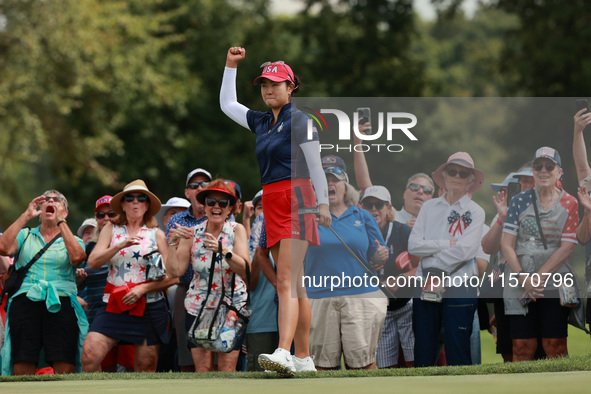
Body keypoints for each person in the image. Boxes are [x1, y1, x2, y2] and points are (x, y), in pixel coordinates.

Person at [220, 47, 331, 376]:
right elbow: (227, 105)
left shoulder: (301, 120)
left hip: (297, 197)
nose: (269, 90)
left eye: (276, 84)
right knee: (296, 284)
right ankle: (304, 357)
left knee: (286, 280)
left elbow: (316, 166)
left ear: (291, 87)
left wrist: (322, 203)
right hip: (273, 199)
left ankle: (284, 351)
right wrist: (230, 66)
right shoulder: (262, 121)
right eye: (264, 85)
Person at [81, 180, 178, 372]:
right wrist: (119, 246)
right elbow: (93, 262)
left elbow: (173, 277)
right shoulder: (111, 229)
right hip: (114, 304)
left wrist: (143, 288)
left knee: (146, 366)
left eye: (141, 198)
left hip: (149, 307)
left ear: (147, 205)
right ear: (123, 205)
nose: (135, 202)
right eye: (130, 198)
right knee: (89, 355)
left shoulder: (157, 234)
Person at [304, 164, 389, 370]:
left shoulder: (362, 216)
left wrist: (381, 254)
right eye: (324, 179)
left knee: (362, 366)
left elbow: (376, 255)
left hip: (361, 297)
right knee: (322, 367)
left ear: (345, 186)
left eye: (335, 179)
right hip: (319, 295)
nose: (329, 184)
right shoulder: (307, 217)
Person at [501, 147, 579, 361]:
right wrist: (522, 277)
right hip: (519, 280)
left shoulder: (570, 203)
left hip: (554, 280)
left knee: (555, 345)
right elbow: (507, 244)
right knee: (522, 346)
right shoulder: (518, 201)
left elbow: (568, 246)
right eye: (538, 166)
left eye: (549, 166)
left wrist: (538, 277)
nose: (543, 170)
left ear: (559, 171)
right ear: (533, 171)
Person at [409, 152, 485, 367]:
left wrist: (432, 254)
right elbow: (414, 245)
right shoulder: (428, 207)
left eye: (464, 173)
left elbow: (466, 251)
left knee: (458, 348)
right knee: (423, 349)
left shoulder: (476, 212)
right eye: (453, 171)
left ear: (471, 180)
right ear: (444, 175)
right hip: (425, 283)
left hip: (460, 284)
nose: (457, 176)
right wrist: (446, 244)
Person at [0, 191, 88, 375]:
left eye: (56, 200)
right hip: (25, 301)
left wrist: (60, 222)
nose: (50, 201)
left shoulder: (74, 240)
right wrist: (26, 215)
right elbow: (3, 247)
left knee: (64, 360)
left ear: (65, 212)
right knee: (23, 358)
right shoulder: (25, 235)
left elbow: (78, 258)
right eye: (45, 199)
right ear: (39, 209)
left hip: (61, 301)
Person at [166, 180, 250, 372]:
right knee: (202, 370)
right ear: (204, 206)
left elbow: (246, 270)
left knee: (227, 370)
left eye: (223, 203)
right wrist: (172, 244)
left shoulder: (237, 230)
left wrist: (224, 251)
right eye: (211, 201)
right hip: (198, 307)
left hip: (232, 307)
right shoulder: (192, 233)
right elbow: (174, 272)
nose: (216, 206)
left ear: (230, 208)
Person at [165, 168, 212, 372]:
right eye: (194, 185)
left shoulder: (220, 217)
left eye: (204, 185)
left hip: (215, 291)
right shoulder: (177, 221)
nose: (199, 188)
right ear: (187, 193)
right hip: (185, 288)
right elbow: (170, 263)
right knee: (186, 355)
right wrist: (174, 241)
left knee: (217, 356)